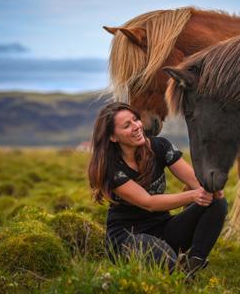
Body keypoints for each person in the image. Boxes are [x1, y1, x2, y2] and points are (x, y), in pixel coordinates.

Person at [88, 102, 227, 278]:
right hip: (128, 237)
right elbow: (149, 203)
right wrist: (193, 196)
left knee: (217, 202)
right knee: (156, 252)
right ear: (113, 137)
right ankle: (177, 271)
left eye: (135, 120)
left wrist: (210, 188)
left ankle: (194, 263)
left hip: (164, 228)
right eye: (127, 125)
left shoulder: (160, 147)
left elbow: (195, 181)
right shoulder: (112, 169)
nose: (137, 126)